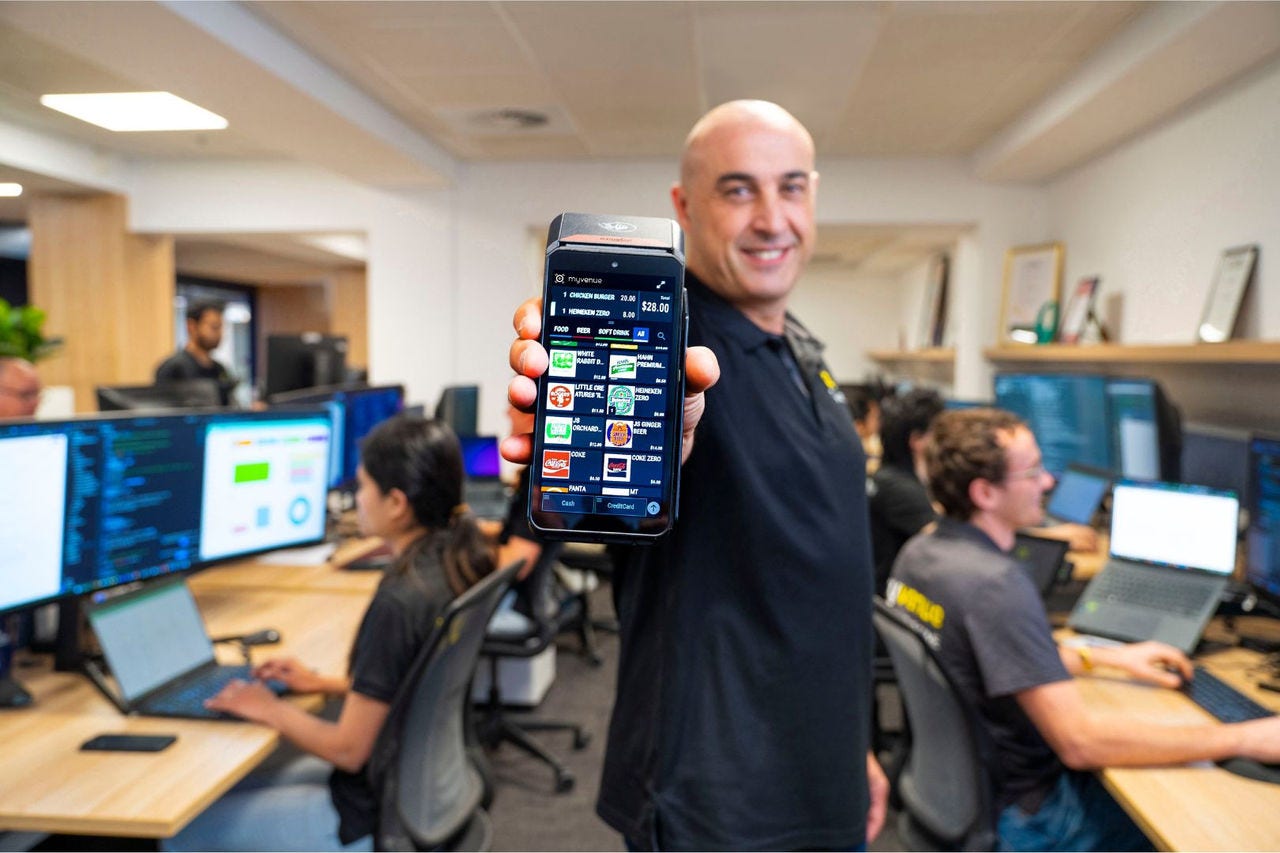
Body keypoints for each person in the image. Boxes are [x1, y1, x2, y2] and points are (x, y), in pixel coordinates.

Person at [506, 100, 887, 850]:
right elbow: (630, 480)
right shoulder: (682, 349)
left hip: (821, 771)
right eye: (739, 189)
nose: (772, 218)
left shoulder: (801, 347)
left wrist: (856, 747)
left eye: (792, 187)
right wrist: (612, 431)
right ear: (684, 206)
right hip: (715, 796)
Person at [886, 408, 1280, 851]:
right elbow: (1080, 744)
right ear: (985, 493)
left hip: (958, 793)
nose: (1048, 482)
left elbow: (1002, 656)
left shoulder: (920, 555)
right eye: (1032, 471)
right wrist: (1246, 737)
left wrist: (1110, 658)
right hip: (1031, 817)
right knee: (1214, 826)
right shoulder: (995, 586)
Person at [164, 417, 493, 852]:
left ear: (396, 503)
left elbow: (347, 749)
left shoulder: (400, 599)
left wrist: (268, 708)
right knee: (234, 793)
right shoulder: (453, 562)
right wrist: (322, 684)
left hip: (370, 813)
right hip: (419, 789)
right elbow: (414, 682)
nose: (356, 500)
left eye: (362, 488)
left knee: (177, 836)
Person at [867, 387, 944, 594]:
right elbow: (950, 548)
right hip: (892, 608)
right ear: (917, 440)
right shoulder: (903, 491)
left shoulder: (884, 478)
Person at [155, 300, 238, 405]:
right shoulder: (172, 368)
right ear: (192, 326)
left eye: (221, 328)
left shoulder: (220, 369)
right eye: (214, 327)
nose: (220, 334)